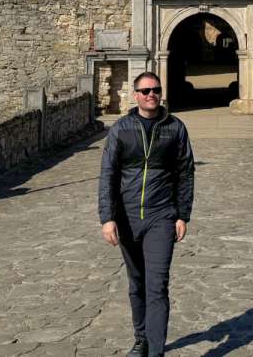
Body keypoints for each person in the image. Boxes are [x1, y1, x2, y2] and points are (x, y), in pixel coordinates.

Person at [98, 71, 195, 357]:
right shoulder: (121, 129)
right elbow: (108, 174)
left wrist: (182, 214)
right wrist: (107, 217)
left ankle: (155, 351)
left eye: (155, 89)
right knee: (136, 283)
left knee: (157, 285)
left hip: (161, 216)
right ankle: (141, 338)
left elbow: (186, 172)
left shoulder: (175, 128)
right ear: (135, 95)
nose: (151, 94)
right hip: (127, 218)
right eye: (145, 90)